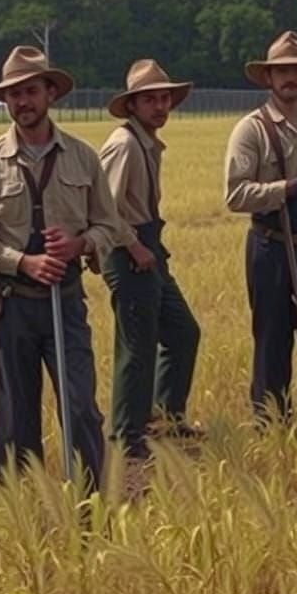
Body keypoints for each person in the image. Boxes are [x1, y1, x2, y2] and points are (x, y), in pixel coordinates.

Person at [0, 46, 121, 488]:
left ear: (50, 93)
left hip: (65, 302)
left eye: (30, 91)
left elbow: (110, 224)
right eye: (12, 95)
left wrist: (79, 244)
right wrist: (23, 262)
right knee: (14, 423)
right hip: (12, 307)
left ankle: (92, 510)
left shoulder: (83, 157)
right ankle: (21, 515)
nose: (21, 102)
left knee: (81, 407)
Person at [225, 31, 297, 420]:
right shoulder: (251, 129)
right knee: (272, 341)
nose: (290, 77)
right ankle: (270, 424)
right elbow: (235, 195)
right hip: (270, 245)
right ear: (269, 77)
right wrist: (288, 188)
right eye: (282, 71)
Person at [99, 59, 201, 458]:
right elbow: (104, 208)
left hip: (148, 247)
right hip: (130, 250)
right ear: (132, 105)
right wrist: (134, 246)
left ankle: (165, 419)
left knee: (182, 333)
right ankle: (127, 436)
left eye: (164, 98)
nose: (161, 106)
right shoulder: (124, 145)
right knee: (137, 345)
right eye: (150, 100)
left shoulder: (145, 141)